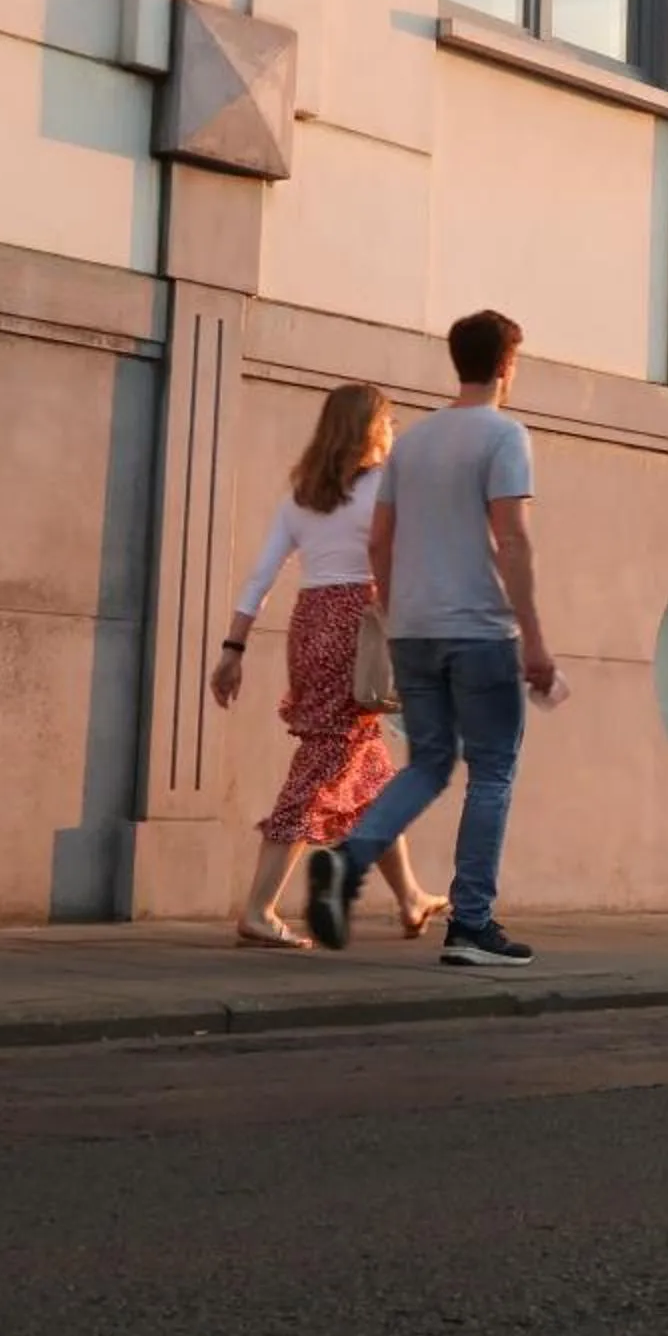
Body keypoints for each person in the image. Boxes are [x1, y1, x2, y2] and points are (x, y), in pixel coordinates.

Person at [306, 309, 557, 966]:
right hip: (477, 630)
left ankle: (349, 858)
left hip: (413, 630)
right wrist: (533, 637)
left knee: (427, 764)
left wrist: (397, 614)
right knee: (493, 770)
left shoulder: (411, 444)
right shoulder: (504, 436)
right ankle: (471, 924)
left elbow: (381, 540)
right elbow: (513, 539)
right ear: (506, 366)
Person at [211, 383, 446, 949]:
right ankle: (259, 909)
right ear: (371, 429)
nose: (393, 433)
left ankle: (410, 897)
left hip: (310, 624)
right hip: (359, 628)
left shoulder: (303, 495)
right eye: (389, 423)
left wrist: (233, 649)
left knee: (367, 774)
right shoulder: (384, 489)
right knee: (319, 769)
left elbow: (261, 576)